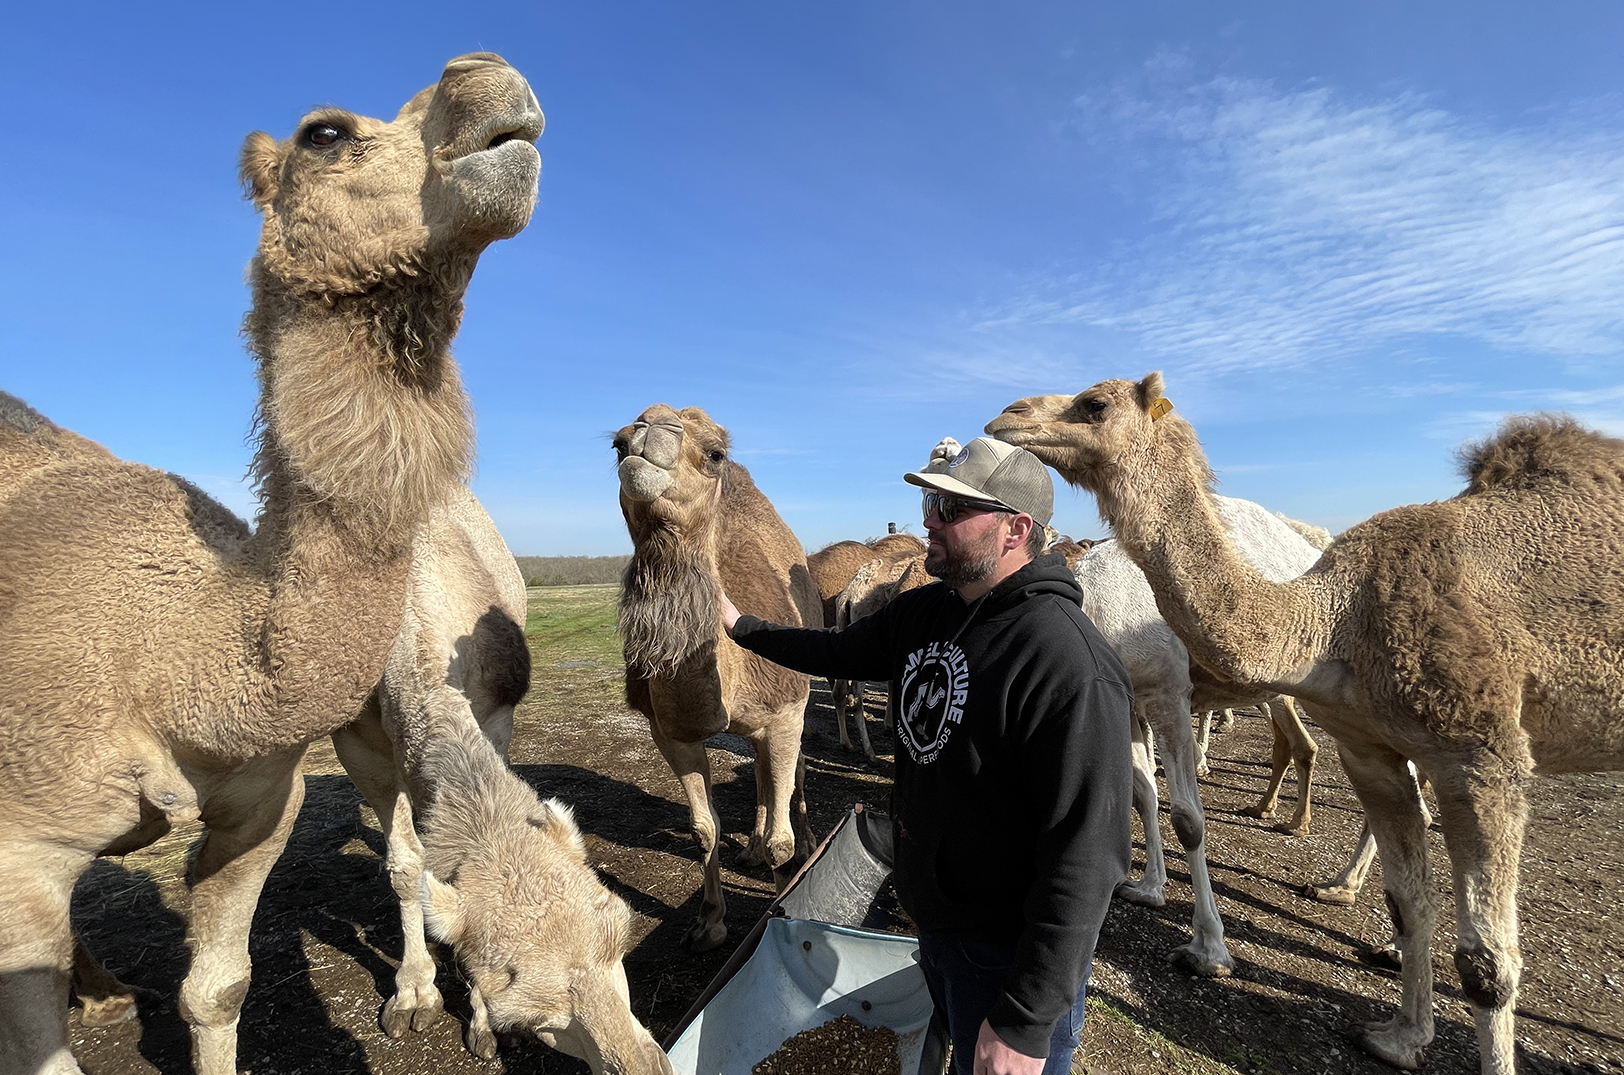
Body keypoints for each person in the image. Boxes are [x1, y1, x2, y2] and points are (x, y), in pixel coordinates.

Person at [719, 436, 1133, 1075]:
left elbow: (1087, 857)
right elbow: (836, 653)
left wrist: (1024, 1022)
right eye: (930, 501)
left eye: (950, 508)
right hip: (934, 927)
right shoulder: (930, 612)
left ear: (1015, 529)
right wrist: (742, 627)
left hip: (1003, 955)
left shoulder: (1066, 663)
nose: (927, 520)